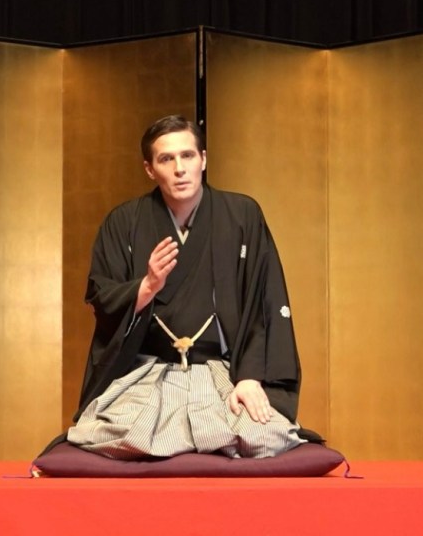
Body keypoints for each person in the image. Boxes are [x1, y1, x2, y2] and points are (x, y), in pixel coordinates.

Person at [50, 114, 320, 461]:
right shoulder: (123, 222)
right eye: (166, 159)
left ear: (203, 159)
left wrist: (250, 378)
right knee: (107, 434)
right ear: (149, 169)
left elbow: (264, 304)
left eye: (188, 156)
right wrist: (147, 286)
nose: (179, 169)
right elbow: (103, 297)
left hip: (223, 373)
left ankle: (196, 436)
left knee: (265, 436)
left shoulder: (242, 216)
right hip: (150, 373)